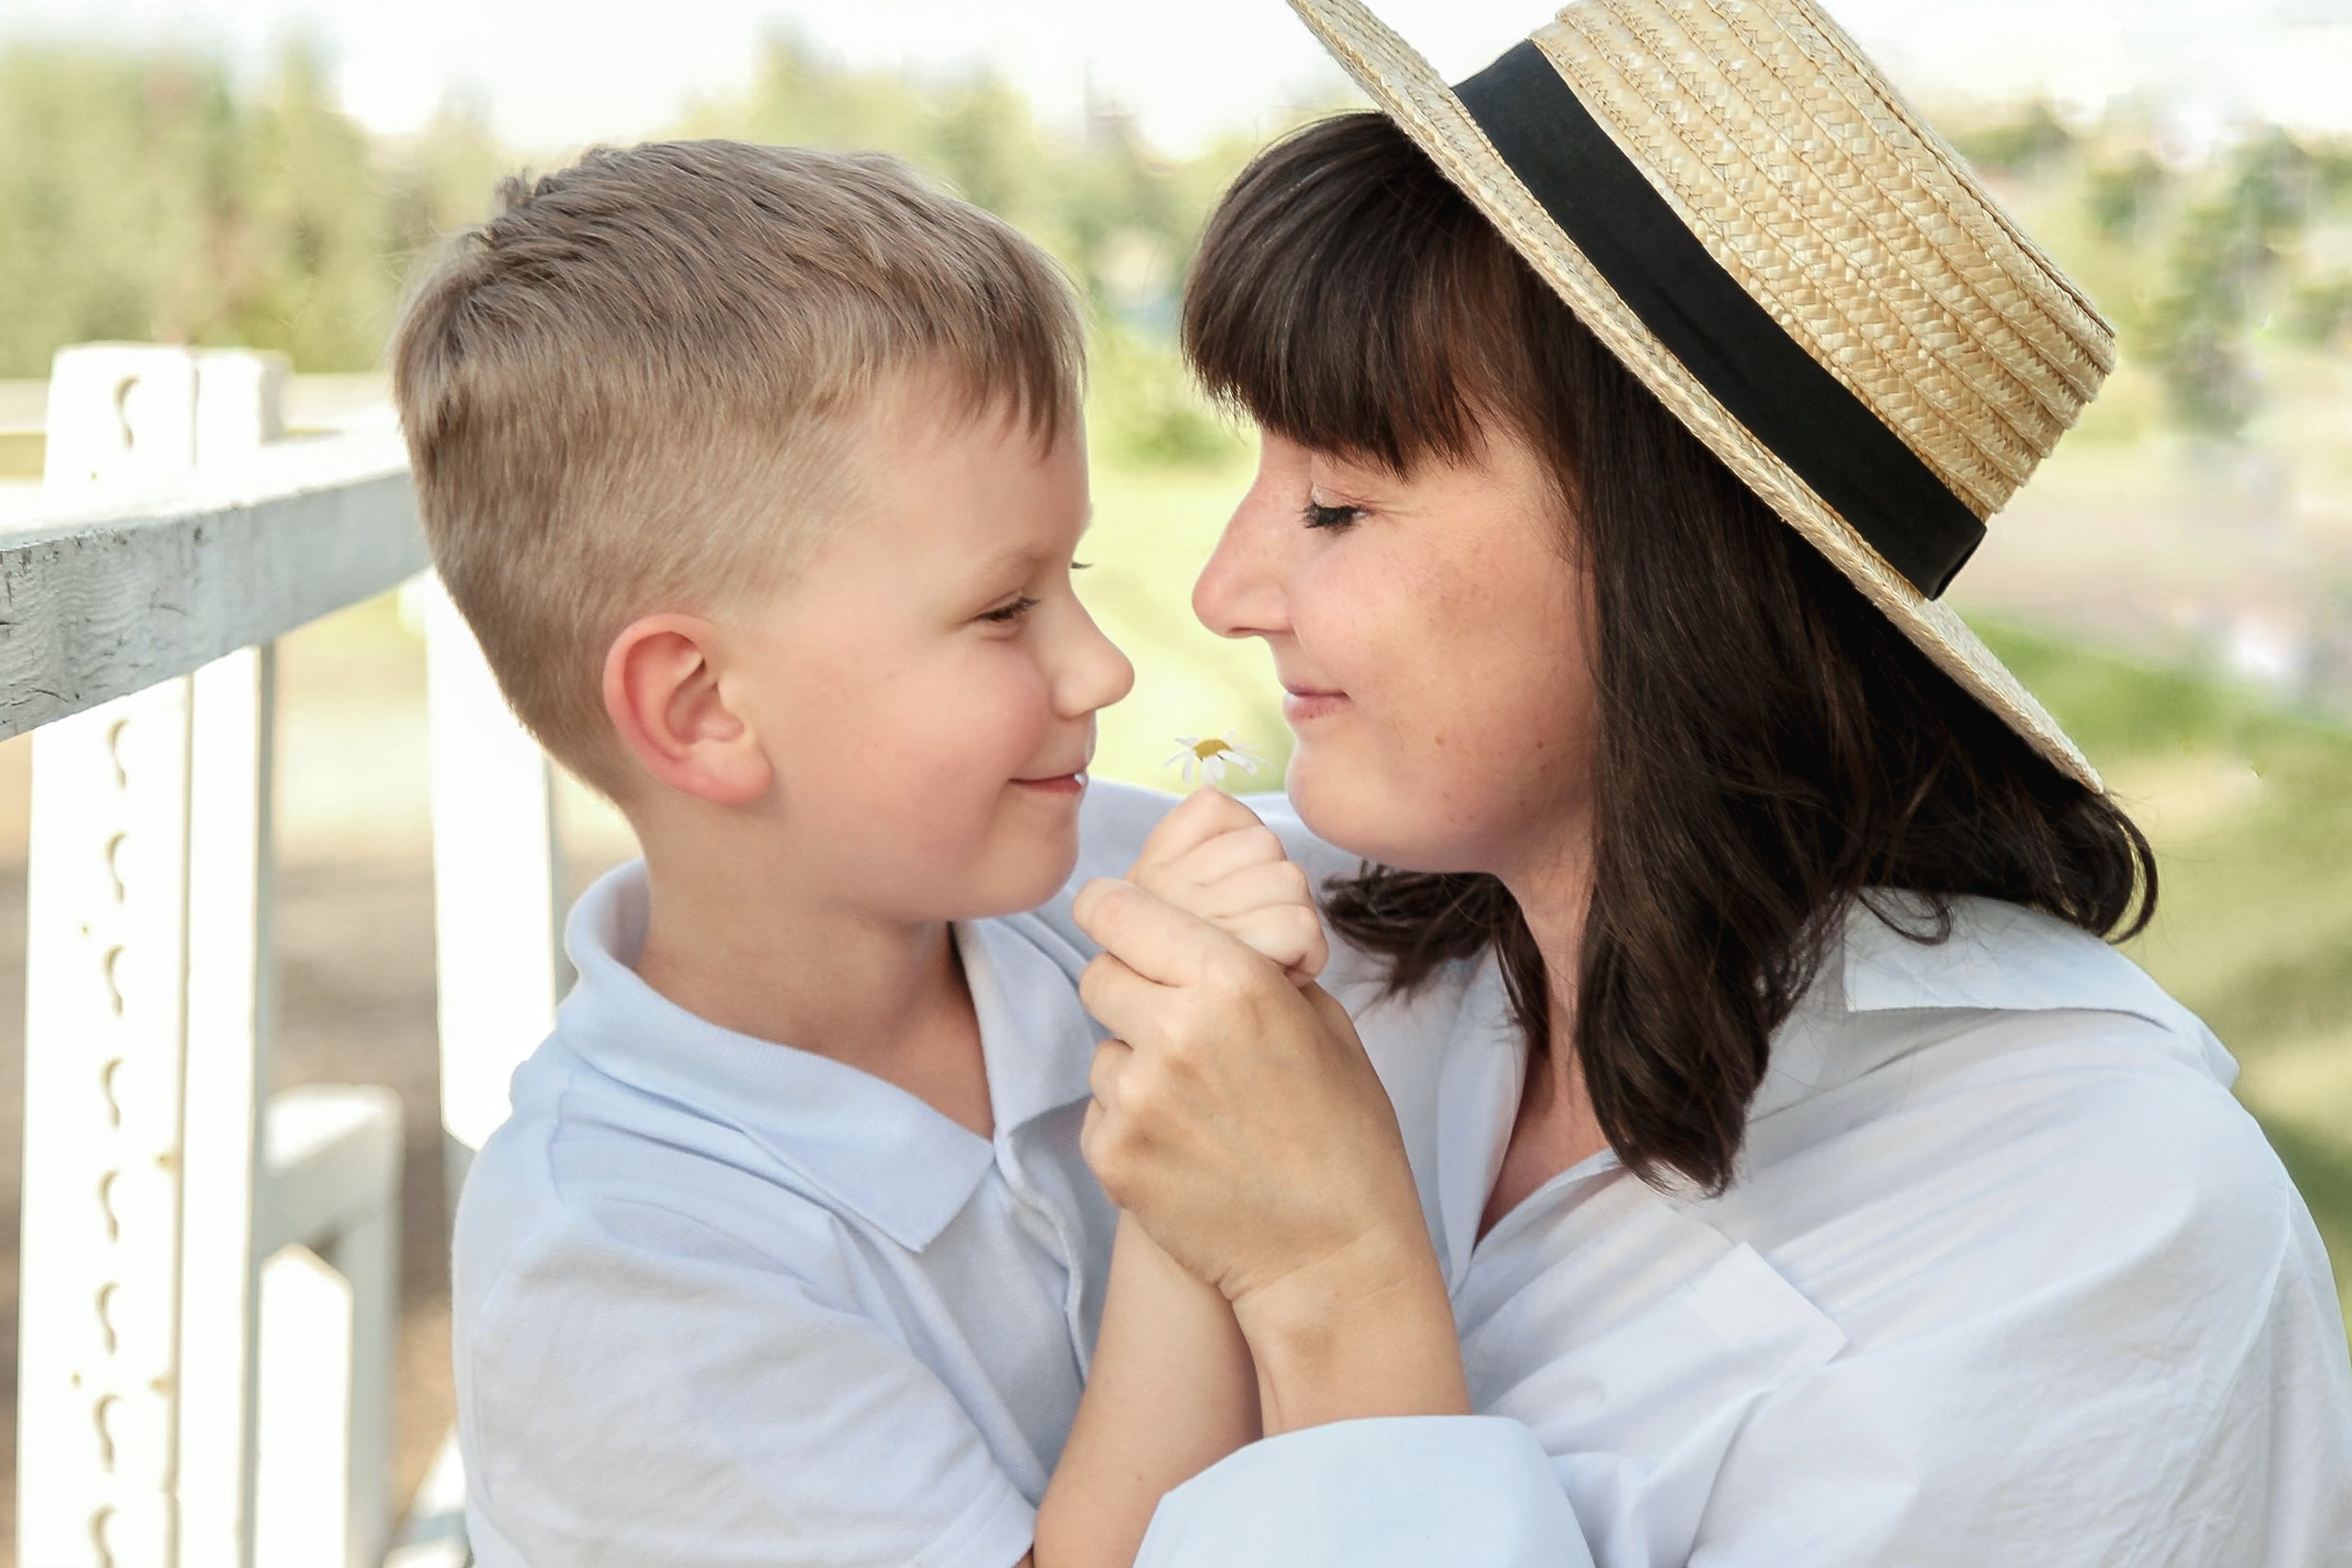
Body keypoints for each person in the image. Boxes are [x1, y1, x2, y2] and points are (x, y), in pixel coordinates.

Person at [1057, 1, 2352, 1563]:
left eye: (1335, 501)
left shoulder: (2104, 1233)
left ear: (1671, 563)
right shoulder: (1308, 934)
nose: (1225, 590)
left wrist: (1336, 1286)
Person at [390, 140, 1340, 1567]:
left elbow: (1398, 880)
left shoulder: (1085, 886)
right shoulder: (619, 1264)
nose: (1103, 672)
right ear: (705, 710)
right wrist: (1192, 1174)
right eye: (1002, 609)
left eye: (1068, 578)